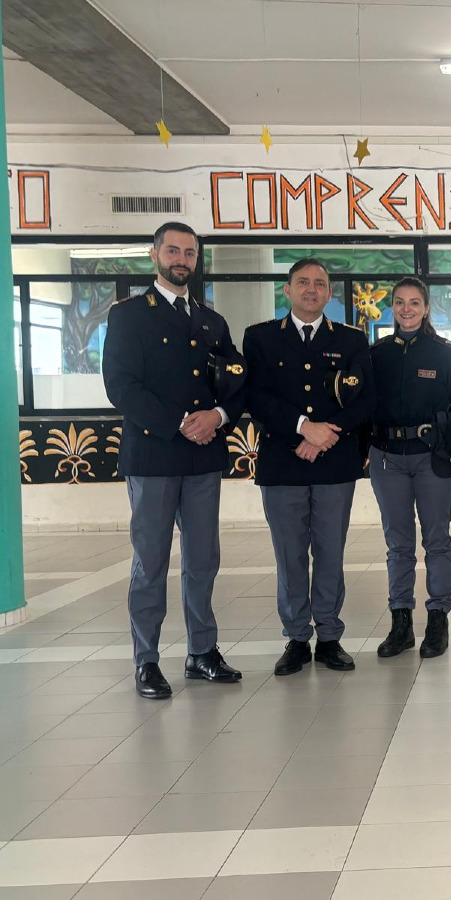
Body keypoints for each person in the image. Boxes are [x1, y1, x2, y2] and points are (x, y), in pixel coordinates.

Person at [102, 221, 244, 699]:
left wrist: (218, 416)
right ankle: (146, 660)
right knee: (151, 562)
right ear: (155, 254)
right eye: (173, 251)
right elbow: (121, 386)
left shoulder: (211, 321)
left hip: (203, 457)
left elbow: (237, 380)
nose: (181, 260)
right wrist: (181, 421)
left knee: (203, 560)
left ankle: (202, 652)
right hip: (153, 455)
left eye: (189, 253)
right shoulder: (128, 316)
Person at [243, 258, 375, 676]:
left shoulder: (351, 339)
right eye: (303, 282)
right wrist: (303, 428)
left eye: (320, 284)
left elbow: (366, 399)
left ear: (329, 293)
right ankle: (298, 638)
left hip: (334, 462)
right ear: (288, 290)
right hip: (283, 462)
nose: (311, 289)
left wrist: (325, 434)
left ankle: (330, 636)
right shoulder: (261, 337)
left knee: (331, 552)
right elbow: (255, 397)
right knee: (290, 555)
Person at [369, 277, 451, 660]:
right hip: (387, 457)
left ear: (426, 308)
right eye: (399, 302)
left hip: (432, 457)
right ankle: (401, 623)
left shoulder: (445, 353)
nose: (406, 309)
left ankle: (438, 619)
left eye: (414, 302)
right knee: (398, 543)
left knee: (437, 539)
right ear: (392, 307)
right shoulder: (376, 354)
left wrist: (444, 433)